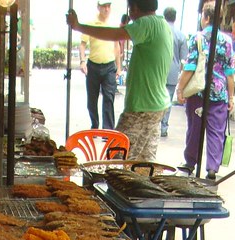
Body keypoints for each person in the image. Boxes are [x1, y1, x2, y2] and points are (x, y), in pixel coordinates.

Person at [68, 0, 171, 162]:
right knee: (143, 163)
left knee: (116, 159)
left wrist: (78, 26)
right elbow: (122, 32)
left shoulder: (145, 23)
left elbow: (115, 34)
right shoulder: (161, 23)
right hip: (157, 105)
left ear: (134, 8)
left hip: (142, 107)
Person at [176, 2, 234, 180]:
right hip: (219, 93)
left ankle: (190, 162)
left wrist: (180, 88)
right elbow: (229, 72)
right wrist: (231, 96)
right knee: (216, 131)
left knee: (195, 128)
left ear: (206, 17)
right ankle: (212, 168)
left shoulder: (197, 38)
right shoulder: (227, 41)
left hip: (198, 92)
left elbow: (191, 66)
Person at [79, 1, 122, 130]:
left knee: (109, 98)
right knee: (92, 100)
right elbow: (82, 44)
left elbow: (117, 46)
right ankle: (95, 125)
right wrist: (82, 61)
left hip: (109, 66)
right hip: (93, 66)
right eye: (104, 6)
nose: (107, 9)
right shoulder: (91, 24)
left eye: (109, 6)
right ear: (98, 7)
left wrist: (118, 67)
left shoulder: (114, 23)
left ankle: (108, 129)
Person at [160, 7, 187, 138]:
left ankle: (154, 125)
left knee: (155, 99)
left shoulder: (159, 32)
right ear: (175, 18)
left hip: (157, 71)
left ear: (164, 17)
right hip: (172, 73)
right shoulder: (181, 35)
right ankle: (163, 127)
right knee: (167, 101)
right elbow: (184, 60)